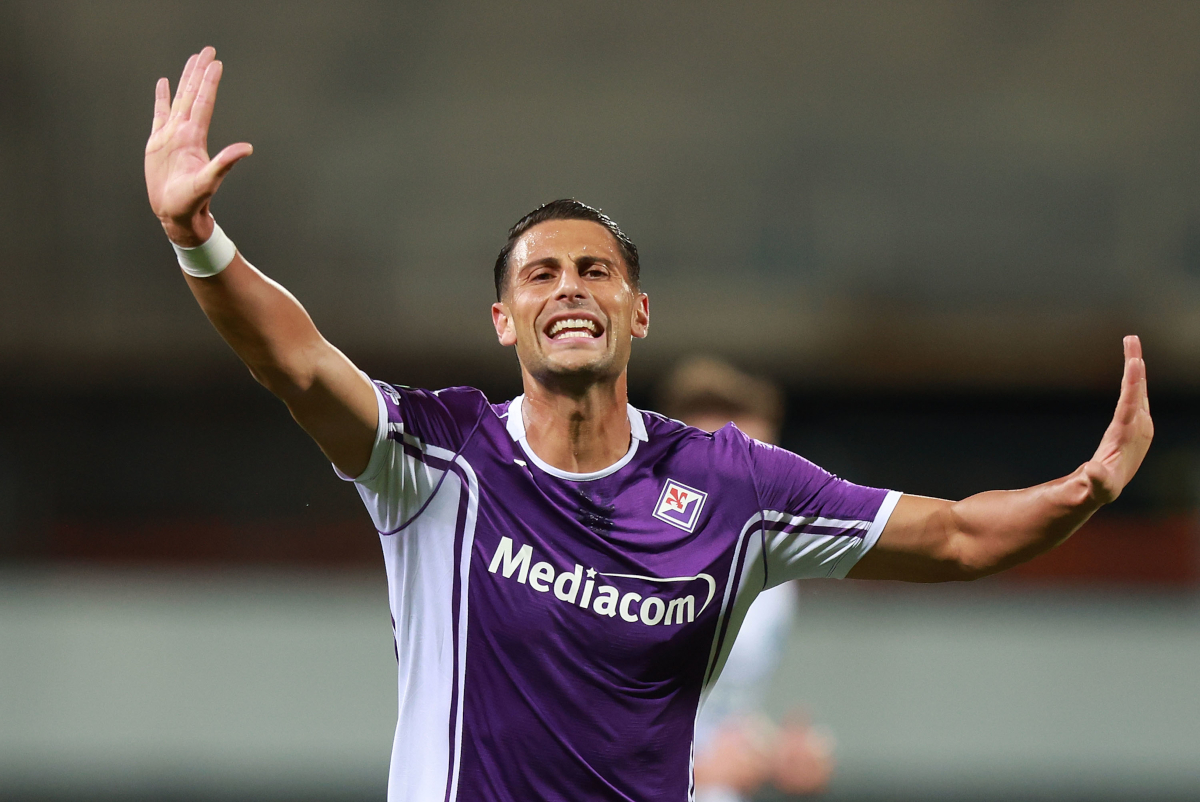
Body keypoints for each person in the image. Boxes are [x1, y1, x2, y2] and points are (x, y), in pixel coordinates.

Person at [144, 48, 1154, 802]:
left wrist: (1089, 488)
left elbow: (956, 534)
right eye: (541, 273)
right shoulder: (441, 460)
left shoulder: (734, 487)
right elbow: (297, 359)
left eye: (597, 271)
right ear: (504, 319)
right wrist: (198, 240)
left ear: (639, 311)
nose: (570, 288)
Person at [660, 357, 833, 801]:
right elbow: (561, 720)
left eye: (765, 470)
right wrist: (692, 768)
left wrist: (779, 754)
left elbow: (722, 711)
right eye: (731, 468)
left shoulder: (774, 580)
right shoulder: (615, 562)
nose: (754, 489)